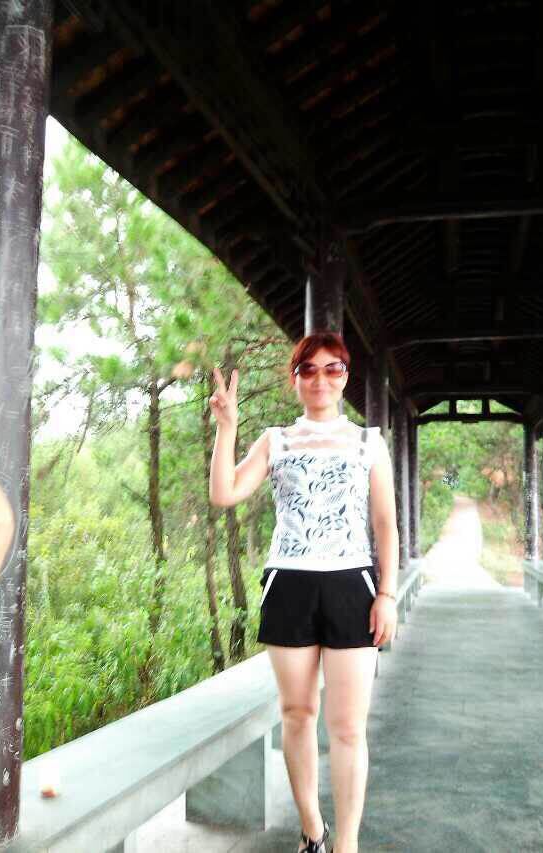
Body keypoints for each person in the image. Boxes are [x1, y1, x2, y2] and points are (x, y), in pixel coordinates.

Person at [209, 330, 399, 853]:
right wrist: (227, 428)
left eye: (332, 368)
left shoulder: (368, 442)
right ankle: (313, 830)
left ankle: (347, 844)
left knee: (348, 728)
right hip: (289, 584)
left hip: (352, 585)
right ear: (294, 380)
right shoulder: (276, 440)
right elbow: (225, 492)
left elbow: (385, 523)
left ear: (345, 377)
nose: (320, 379)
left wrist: (387, 594)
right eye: (308, 370)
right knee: (297, 714)